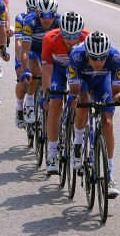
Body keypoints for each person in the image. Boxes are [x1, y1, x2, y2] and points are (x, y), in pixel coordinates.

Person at [67, 31, 120, 199]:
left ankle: (109, 177)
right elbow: (74, 91)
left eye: (102, 58)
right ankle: (77, 144)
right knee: (84, 102)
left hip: (103, 83)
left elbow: (116, 92)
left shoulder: (115, 57)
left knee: (107, 123)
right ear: (87, 54)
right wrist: (73, 99)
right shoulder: (77, 56)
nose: (98, 62)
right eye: (94, 58)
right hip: (82, 82)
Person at [39, 11, 90, 175]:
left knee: (84, 101)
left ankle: (78, 143)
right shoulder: (50, 38)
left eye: (74, 36)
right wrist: (47, 93)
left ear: (80, 33)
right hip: (58, 71)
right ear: (61, 31)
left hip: (79, 72)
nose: (70, 40)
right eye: (66, 35)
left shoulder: (87, 39)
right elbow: (46, 69)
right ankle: (52, 153)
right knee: (55, 104)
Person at [20, 0, 60, 126]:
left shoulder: (60, 22)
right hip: (34, 50)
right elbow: (25, 50)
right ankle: (30, 101)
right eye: (43, 15)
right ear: (37, 13)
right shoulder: (30, 22)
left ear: (55, 13)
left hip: (50, 52)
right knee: (36, 70)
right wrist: (26, 70)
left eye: (50, 15)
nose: (47, 19)